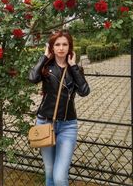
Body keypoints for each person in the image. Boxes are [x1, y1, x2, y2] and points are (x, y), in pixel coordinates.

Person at [28, 30, 90, 186]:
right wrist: (44, 57)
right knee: (49, 173)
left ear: (70, 47)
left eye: (65, 44)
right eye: (57, 44)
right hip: (45, 123)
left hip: (68, 126)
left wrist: (74, 66)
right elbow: (32, 78)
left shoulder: (75, 69)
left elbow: (84, 91)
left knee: (60, 177)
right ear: (52, 47)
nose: (61, 48)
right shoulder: (46, 67)